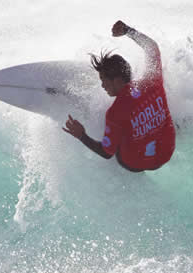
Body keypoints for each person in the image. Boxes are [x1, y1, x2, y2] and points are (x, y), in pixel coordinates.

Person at [62, 21, 176, 172]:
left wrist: (81, 135)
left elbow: (106, 153)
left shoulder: (114, 113)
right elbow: (152, 47)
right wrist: (128, 30)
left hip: (136, 164)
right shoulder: (153, 81)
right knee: (161, 117)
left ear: (117, 81)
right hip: (167, 153)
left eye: (104, 80)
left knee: (117, 147)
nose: (102, 85)